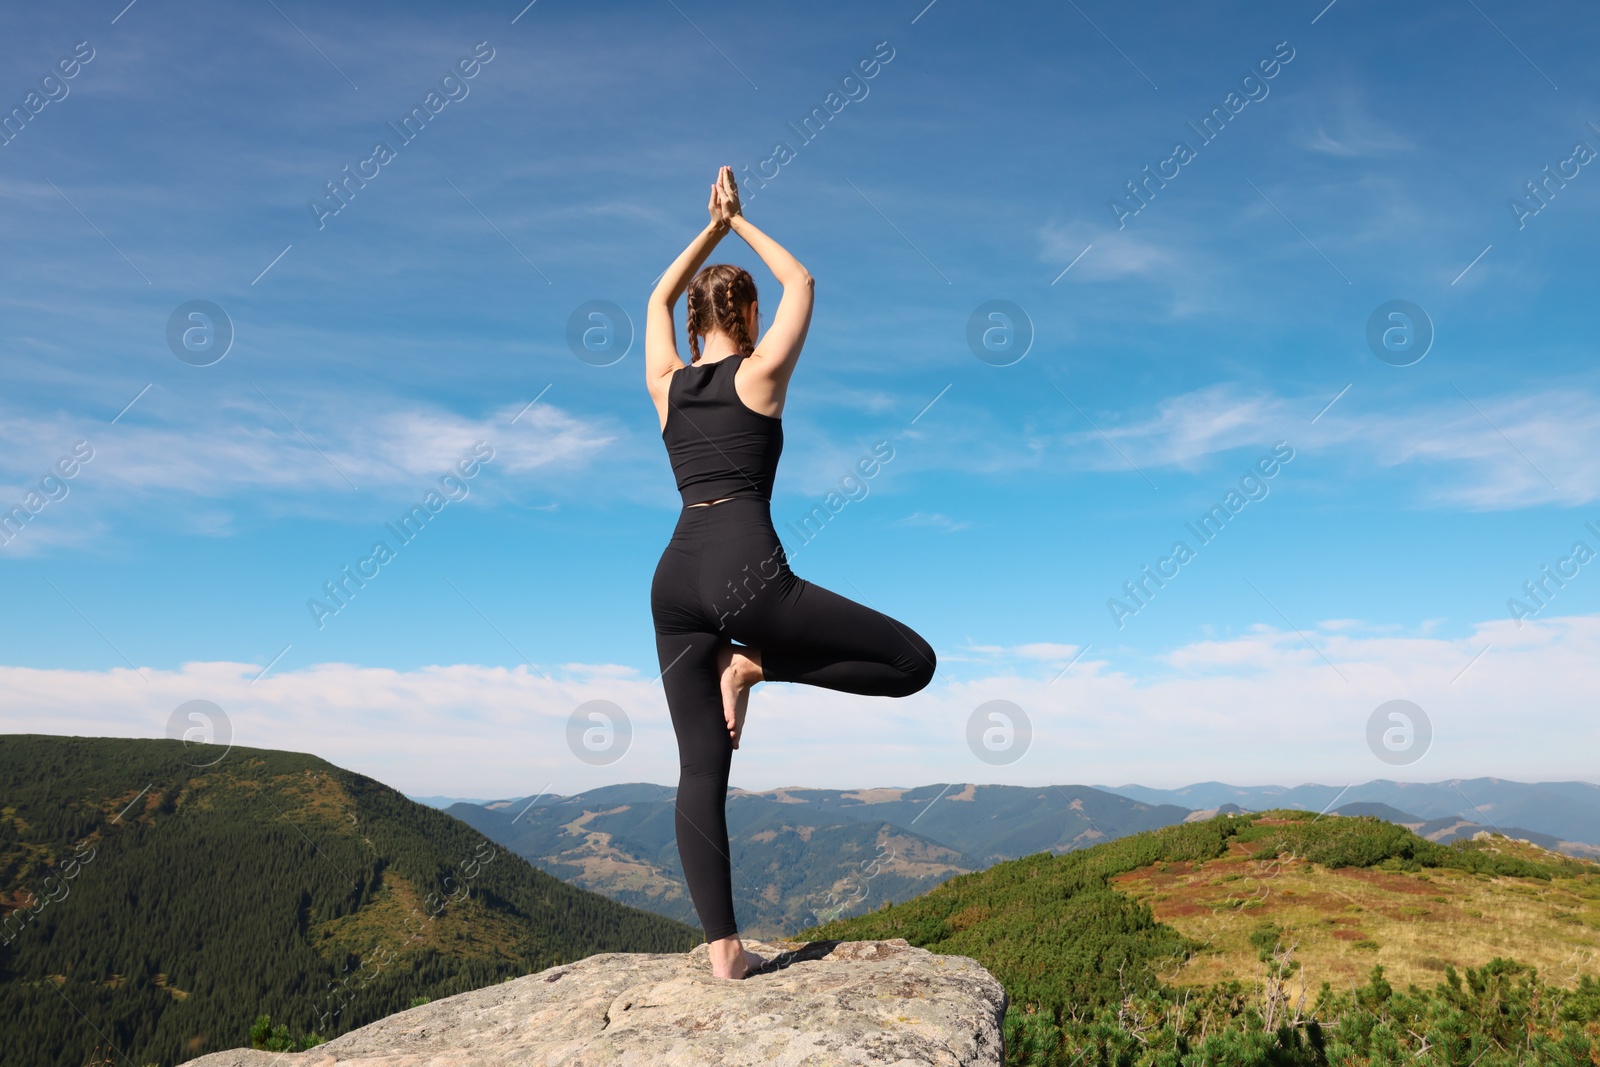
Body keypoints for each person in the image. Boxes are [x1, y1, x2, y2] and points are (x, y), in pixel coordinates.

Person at [644, 166, 937, 980]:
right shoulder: (760, 377)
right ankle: (757, 663)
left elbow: (651, 304)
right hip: (746, 570)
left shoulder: (666, 386)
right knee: (914, 662)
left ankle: (724, 953)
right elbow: (801, 276)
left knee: (700, 767)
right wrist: (741, 223)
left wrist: (706, 230)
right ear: (747, 316)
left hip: (674, 574)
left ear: (695, 321)